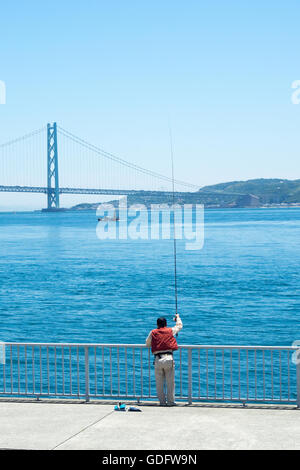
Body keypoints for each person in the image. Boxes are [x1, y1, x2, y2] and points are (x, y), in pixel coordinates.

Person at [146, 314, 183, 406]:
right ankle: (171, 402)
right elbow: (179, 326)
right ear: (166, 324)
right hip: (169, 358)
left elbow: (147, 343)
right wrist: (177, 317)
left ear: (157, 324)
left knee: (159, 383)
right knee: (170, 382)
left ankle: (162, 402)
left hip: (158, 359)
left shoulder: (153, 332)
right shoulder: (170, 330)